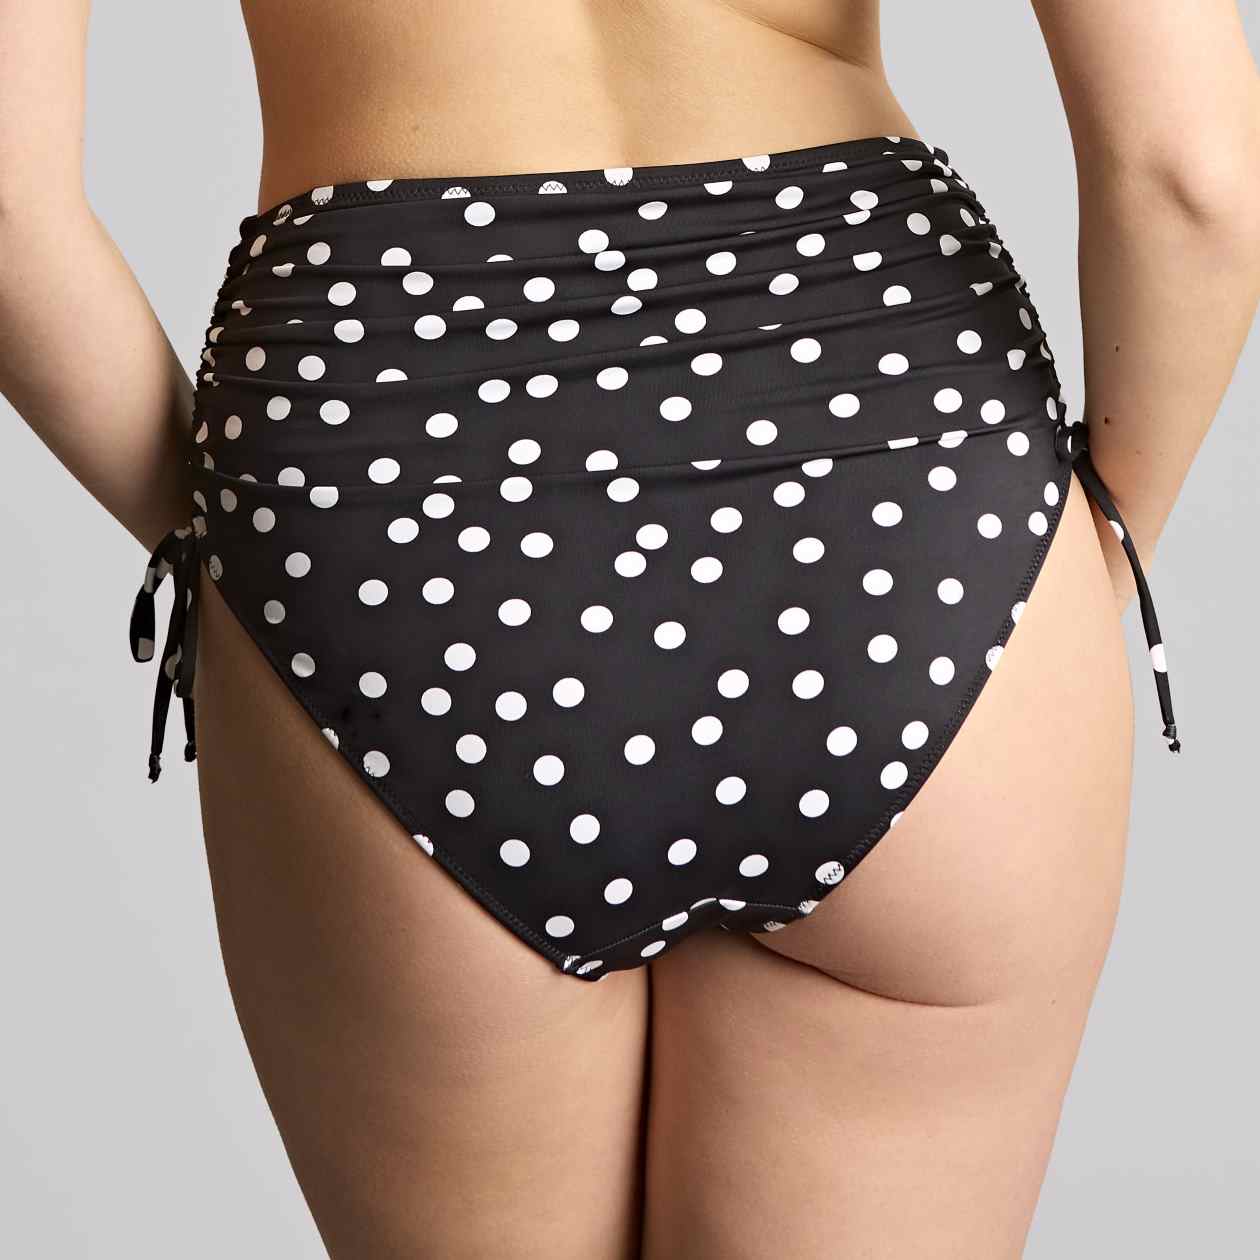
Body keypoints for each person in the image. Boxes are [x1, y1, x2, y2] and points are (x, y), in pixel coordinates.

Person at [2, 2, 1257, 1255]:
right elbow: (1193, 175)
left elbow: (10, 212)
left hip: (392, 486)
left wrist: (259, 545)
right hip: (900, 472)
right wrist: (1089, 552)